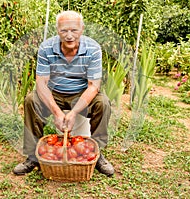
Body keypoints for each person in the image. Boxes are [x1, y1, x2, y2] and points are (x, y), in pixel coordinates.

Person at [13, 10, 114, 176]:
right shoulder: (46, 48)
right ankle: (33, 156)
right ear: (57, 30)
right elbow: (41, 83)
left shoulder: (93, 48)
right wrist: (57, 113)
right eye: (64, 30)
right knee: (31, 100)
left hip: (81, 94)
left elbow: (93, 86)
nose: (69, 36)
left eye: (74, 30)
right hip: (54, 93)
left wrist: (73, 112)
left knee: (103, 103)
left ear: (82, 30)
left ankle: (97, 154)